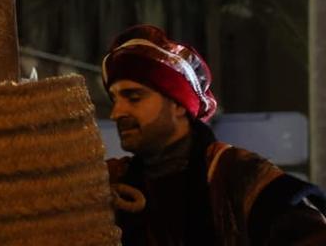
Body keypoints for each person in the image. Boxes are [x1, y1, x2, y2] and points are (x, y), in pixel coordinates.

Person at [103, 24, 326, 245]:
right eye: (115, 100)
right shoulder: (114, 183)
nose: (116, 113)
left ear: (179, 105)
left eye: (133, 97)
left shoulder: (236, 175)